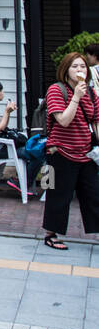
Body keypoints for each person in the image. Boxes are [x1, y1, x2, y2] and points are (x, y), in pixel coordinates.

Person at [42, 53, 99, 249]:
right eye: (75, 67)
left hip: (86, 153)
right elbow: (64, 120)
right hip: (59, 151)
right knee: (58, 194)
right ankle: (51, 234)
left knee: (94, 194)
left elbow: (96, 120)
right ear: (66, 70)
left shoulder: (91, 93)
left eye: (83, 67)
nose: (80, 70)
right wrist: (76, 97)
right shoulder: (56, 90)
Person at [0, 78, 39, 197]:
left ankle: (24, 182)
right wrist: (7, 112)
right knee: (37, 153)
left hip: (2, 146)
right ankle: (22, 183)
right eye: (1, 91)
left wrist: (7, 113)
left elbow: (2, 128)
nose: (3, 93)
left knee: (37, 150)